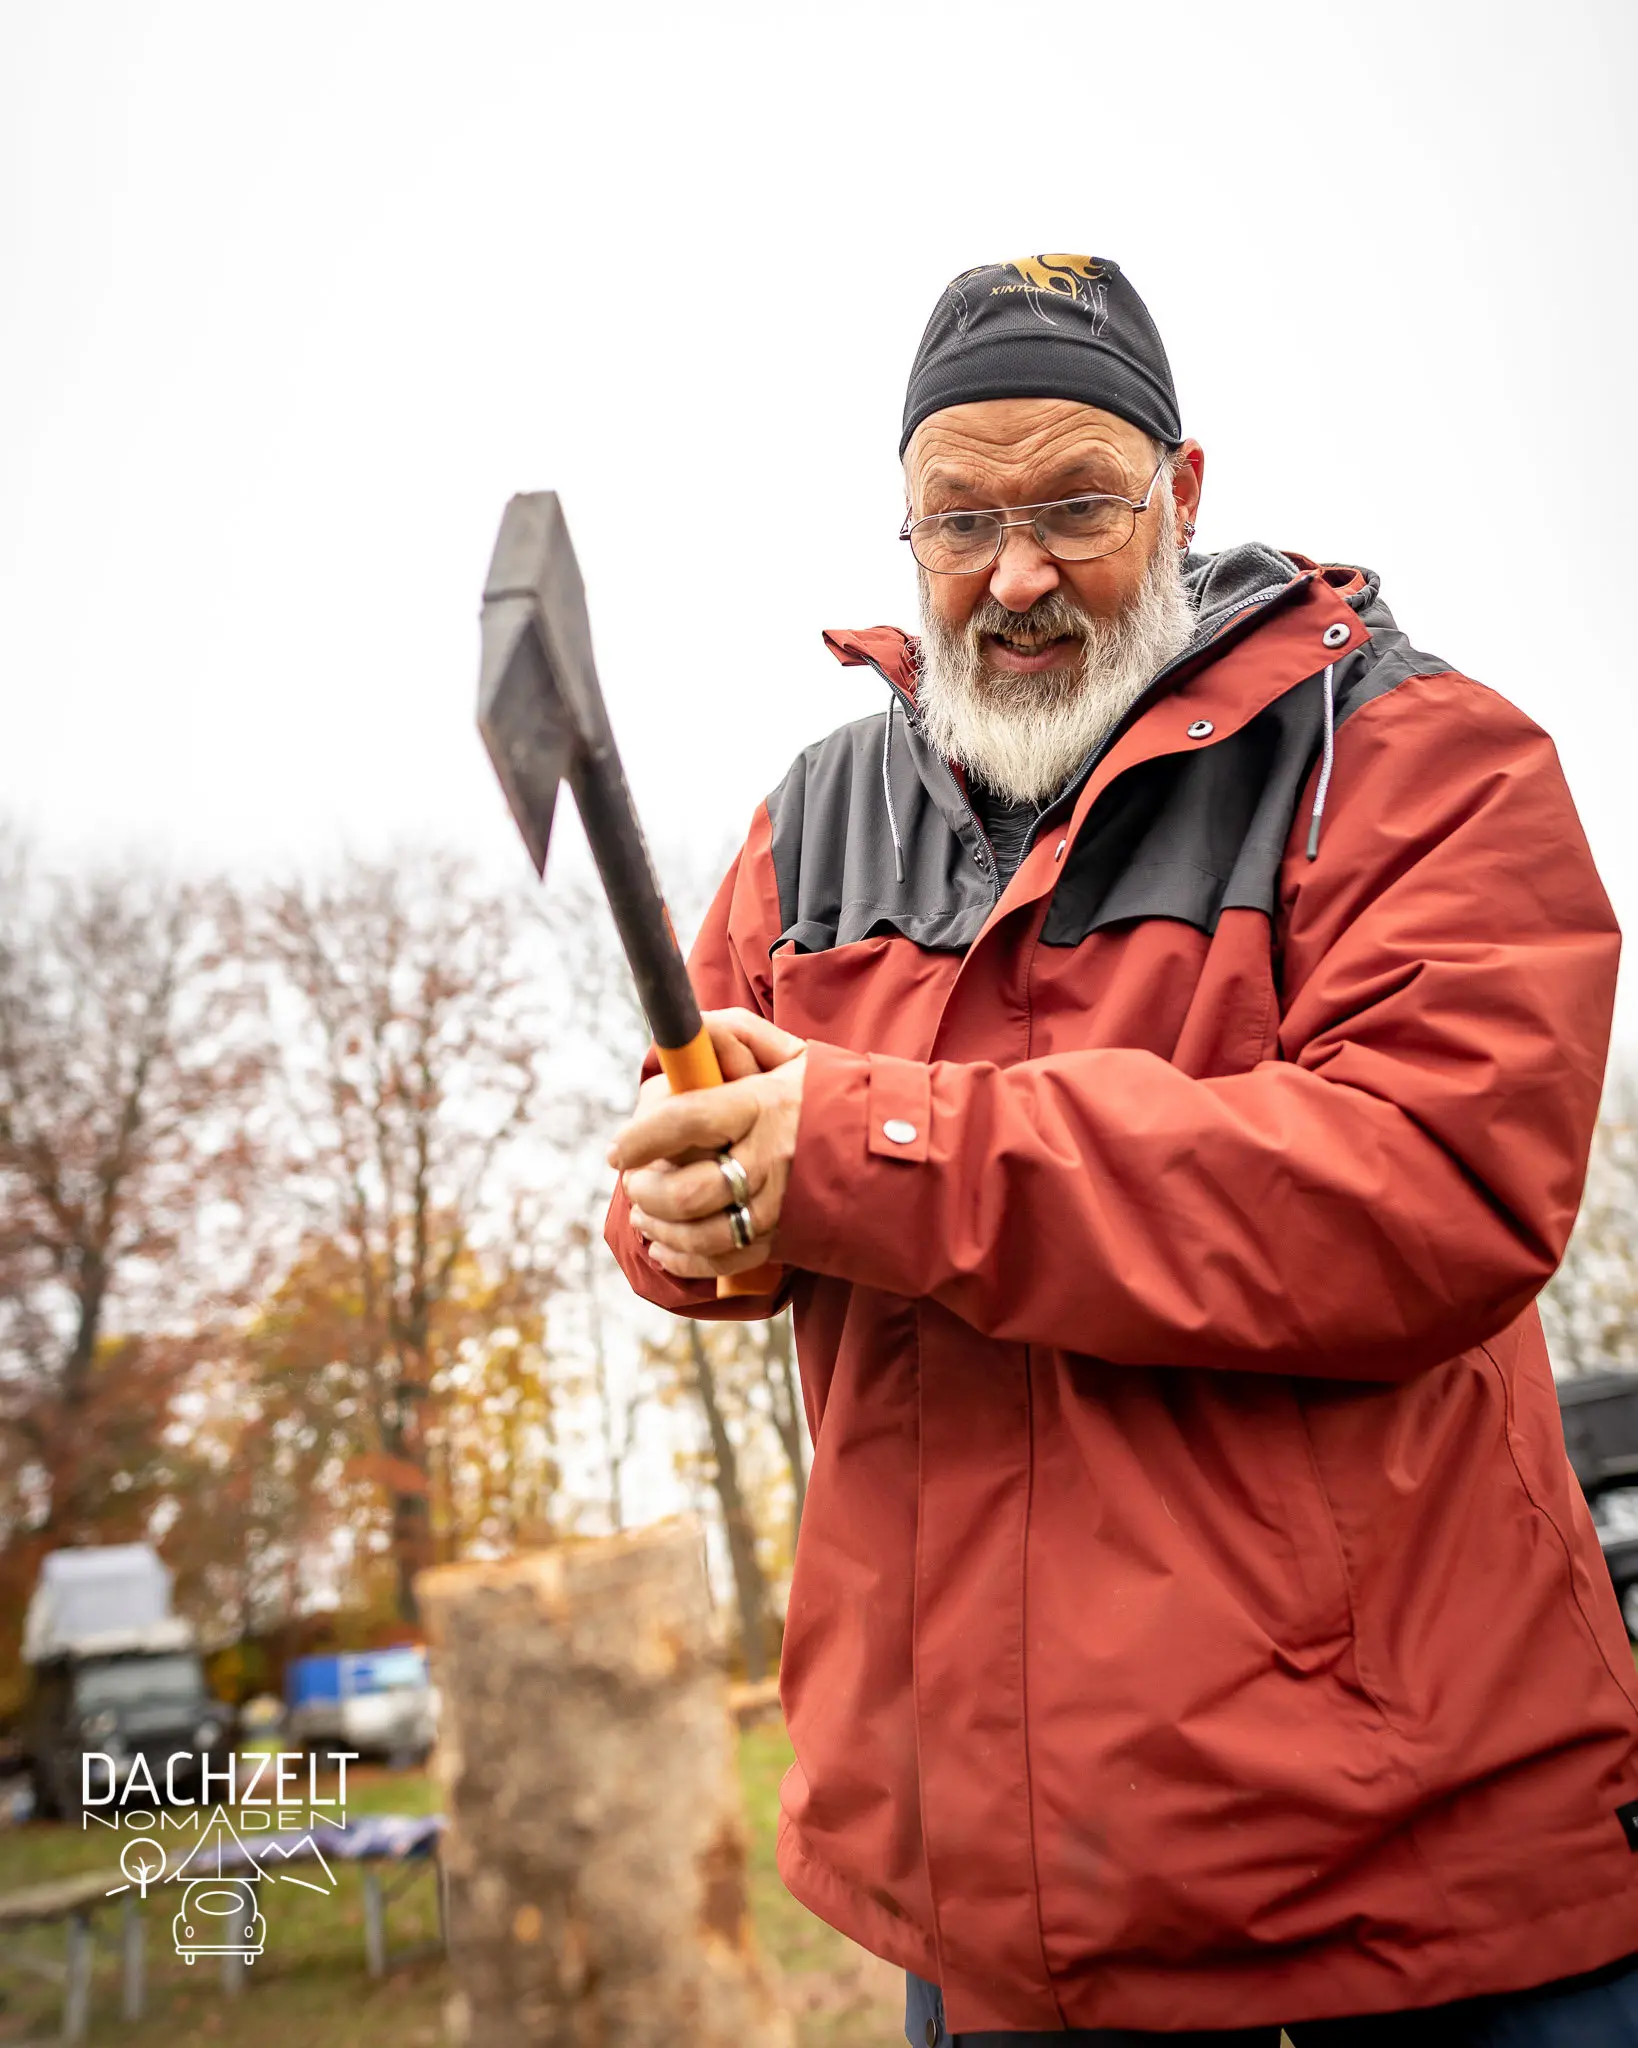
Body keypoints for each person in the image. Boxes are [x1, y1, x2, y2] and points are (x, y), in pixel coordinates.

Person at [604, 255, 1638, 2044]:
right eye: (959, 521)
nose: (1013, 576)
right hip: (991, 1931)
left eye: (1074, 505)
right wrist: (692, 1209)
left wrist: (864, 1144)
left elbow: (1434, 1189)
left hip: (1412, 1902)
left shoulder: (1408, 758)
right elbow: (684, 1159)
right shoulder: (810, 824)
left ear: (1182, 490)